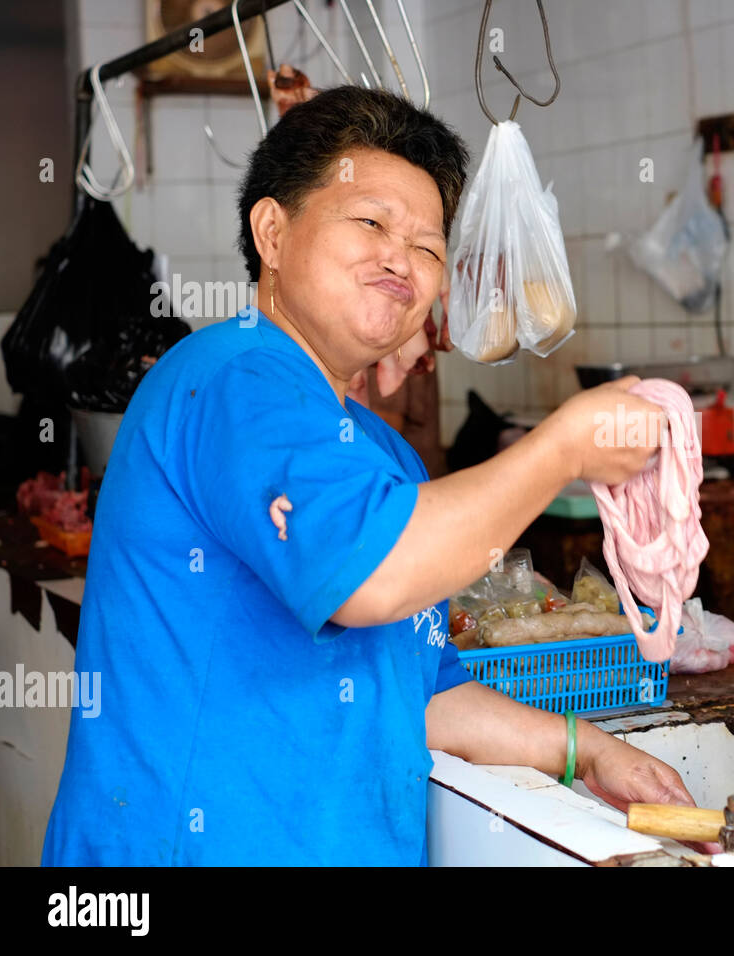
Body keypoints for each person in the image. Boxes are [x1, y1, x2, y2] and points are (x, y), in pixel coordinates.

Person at [42, 86, 696, 865]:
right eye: (371, 222)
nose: (401, 258)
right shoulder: (237, 376)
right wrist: (561, 450)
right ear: (273, 232)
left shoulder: (381, 458)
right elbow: (372, 580)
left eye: (428, 246)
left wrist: (585, 750)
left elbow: (421, 694)